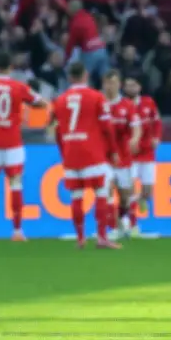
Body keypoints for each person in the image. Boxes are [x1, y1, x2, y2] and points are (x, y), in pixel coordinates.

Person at [0, 51, 46, 242]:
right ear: (11, 68)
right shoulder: (18, 87)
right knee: (15, 184)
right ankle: (18, 231)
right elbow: (41, 103)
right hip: (12, 142)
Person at [52, 62, 121, 249]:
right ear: (86, 75)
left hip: (71, 154)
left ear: (69, 77)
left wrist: (64, 153)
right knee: (101, 193)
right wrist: (113, 151)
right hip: (92, 153)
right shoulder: (97, 97)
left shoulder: (60, 100)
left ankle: (80, 238)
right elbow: (107, 127)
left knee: (76, 196)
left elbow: (57, 131)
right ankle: (102, 237)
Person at [101, 71, 141, 239]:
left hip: (123, 157)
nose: (111, 86)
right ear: (104, 84)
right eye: (108, 83)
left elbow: (136, 126)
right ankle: (114, 228)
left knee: (124, 196)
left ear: (119, 85)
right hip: (104, 158)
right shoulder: (99, 103)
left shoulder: (127, 105)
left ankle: (124, 220)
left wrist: (135, 138)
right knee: (107, 191)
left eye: (114, 83)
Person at [124, 78, 161, 236]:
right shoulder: (122, 105)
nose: (131, 88)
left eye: (133, 85)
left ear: (139, 87)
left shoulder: (148, 102)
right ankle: (133, 226)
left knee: (148, 193)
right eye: (128, 85)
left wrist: (157, 137)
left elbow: (157, 121)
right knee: (130, 190)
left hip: (147, 152)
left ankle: (140, 200)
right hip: (130, 155)